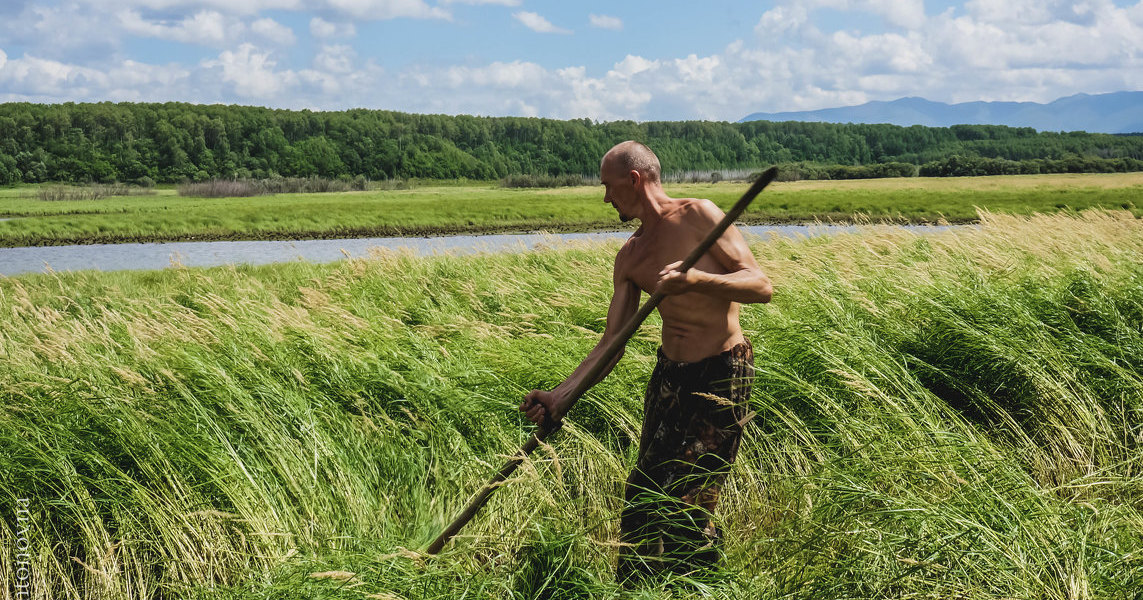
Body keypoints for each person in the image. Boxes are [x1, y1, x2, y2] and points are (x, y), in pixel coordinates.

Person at [519, 141, 773, 584]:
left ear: (634, 180)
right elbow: (610, 345)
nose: (605, 199)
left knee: (687, 508)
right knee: (642, 496)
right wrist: (559, 397)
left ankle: (702, 588)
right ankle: (634, 591)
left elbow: (760, 285)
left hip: (722, 371)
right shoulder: (631, 256)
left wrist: (696, 279)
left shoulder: (700, 216)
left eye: (608, 187)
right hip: (669, 379)